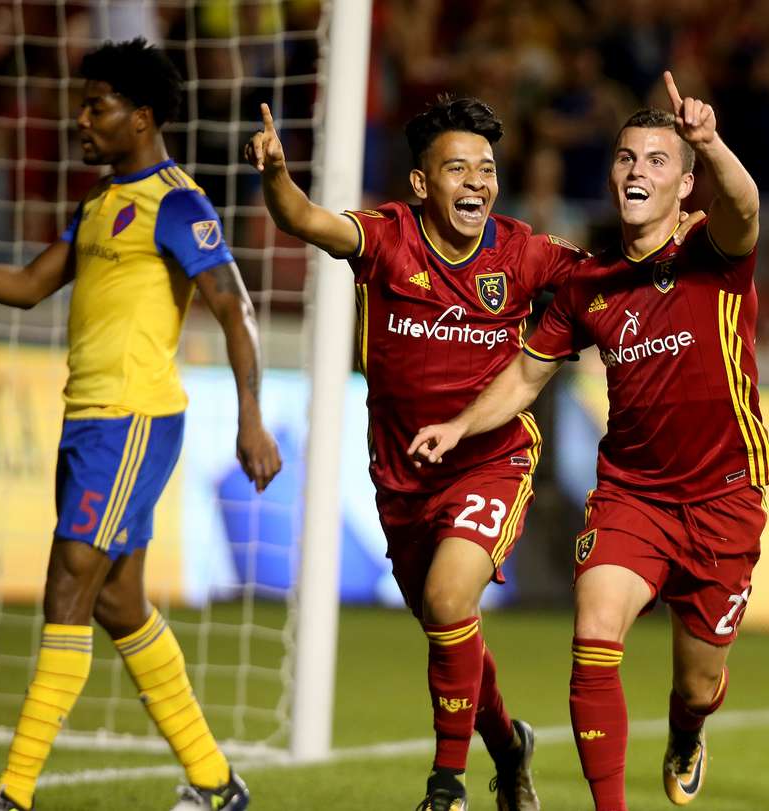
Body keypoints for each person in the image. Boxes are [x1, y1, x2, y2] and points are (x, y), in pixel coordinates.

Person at [245, 94, 693, 810]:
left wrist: (678, 243)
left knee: (450, 598)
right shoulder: (387, 239)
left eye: (486, 169)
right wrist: (275, 175)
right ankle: (509, 748)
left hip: (492, 460)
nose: (477, 182)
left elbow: (611, 278)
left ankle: (446, 784)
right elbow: (303, 218)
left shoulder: (524, 252)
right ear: (421, 183)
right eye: (458, 169)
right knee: (449, 627)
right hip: (403, 477)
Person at [410, 71, 769, 810]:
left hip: (725, 496)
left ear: (685, 185)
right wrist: (459, 424)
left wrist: (711, 143)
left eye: (658, 160)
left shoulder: (714, 250)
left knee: (698, 680)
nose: (638, 170)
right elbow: (525, 375)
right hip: (633, 495)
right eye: (626, 157)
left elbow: (745, 205)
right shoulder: (588, 284)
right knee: (595, 631)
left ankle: (687, 727)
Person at [0, 38, 281, 811]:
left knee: (68, 583)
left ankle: (12, 793)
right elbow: (31, 283)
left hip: (132, 419)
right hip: (88, 420)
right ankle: (215, 781)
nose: (81, 119)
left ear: (141, 118)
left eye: (96, 106)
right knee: (116, 602)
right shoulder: (100, 203)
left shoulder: (179, 203)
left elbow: (235, 307)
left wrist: (252, 418)